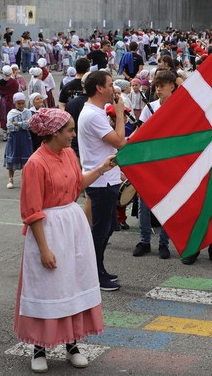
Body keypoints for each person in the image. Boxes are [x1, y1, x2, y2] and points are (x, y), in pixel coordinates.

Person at [15, 107, 114, 373]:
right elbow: (32, 212)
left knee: (72, 283)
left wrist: (103, 168)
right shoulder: (35, 164)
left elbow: (77, 186)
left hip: (72, 226)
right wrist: (44, 250)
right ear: (54, 132)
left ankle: (72, 344)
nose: (73, 134)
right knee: (47, 287)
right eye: (69, 130)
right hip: (48, 230)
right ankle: (39, 348)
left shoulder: (69, 154)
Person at [78, 70, 126, 291]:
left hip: (106, 178)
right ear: (98, 88)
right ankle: (94, 274)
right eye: (109, 85)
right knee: (100, 231)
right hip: (101, 181)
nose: (113, 89)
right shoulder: (93, 115)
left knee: (106, 229)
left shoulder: (94, 112)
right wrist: (120, 114)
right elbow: (119, 142)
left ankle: (99, 269)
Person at [133, 69, 175, 261]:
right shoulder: (149, 107)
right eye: (156, 86)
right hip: (149, 162)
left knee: (167, 205)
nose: (158, 90)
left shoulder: (181, 108)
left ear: (172, 86)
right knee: (144, 205)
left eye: (162, 86)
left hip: (169, 163)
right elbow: (140, 134)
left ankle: (164, 243)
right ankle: (144, 241)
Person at [4, 93, 33, 189]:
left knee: (26, 158)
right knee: (12, 157)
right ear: (15, 103)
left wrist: (18, 124)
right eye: (18, 103)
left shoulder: (28, 112)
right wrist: (22, 125)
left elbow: (29, 125)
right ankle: (10, 179)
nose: (21, 105)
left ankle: (26, 179)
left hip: (25, 138)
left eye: (22, 103)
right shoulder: (11, 113)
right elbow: (10, 126)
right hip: (14, 139)